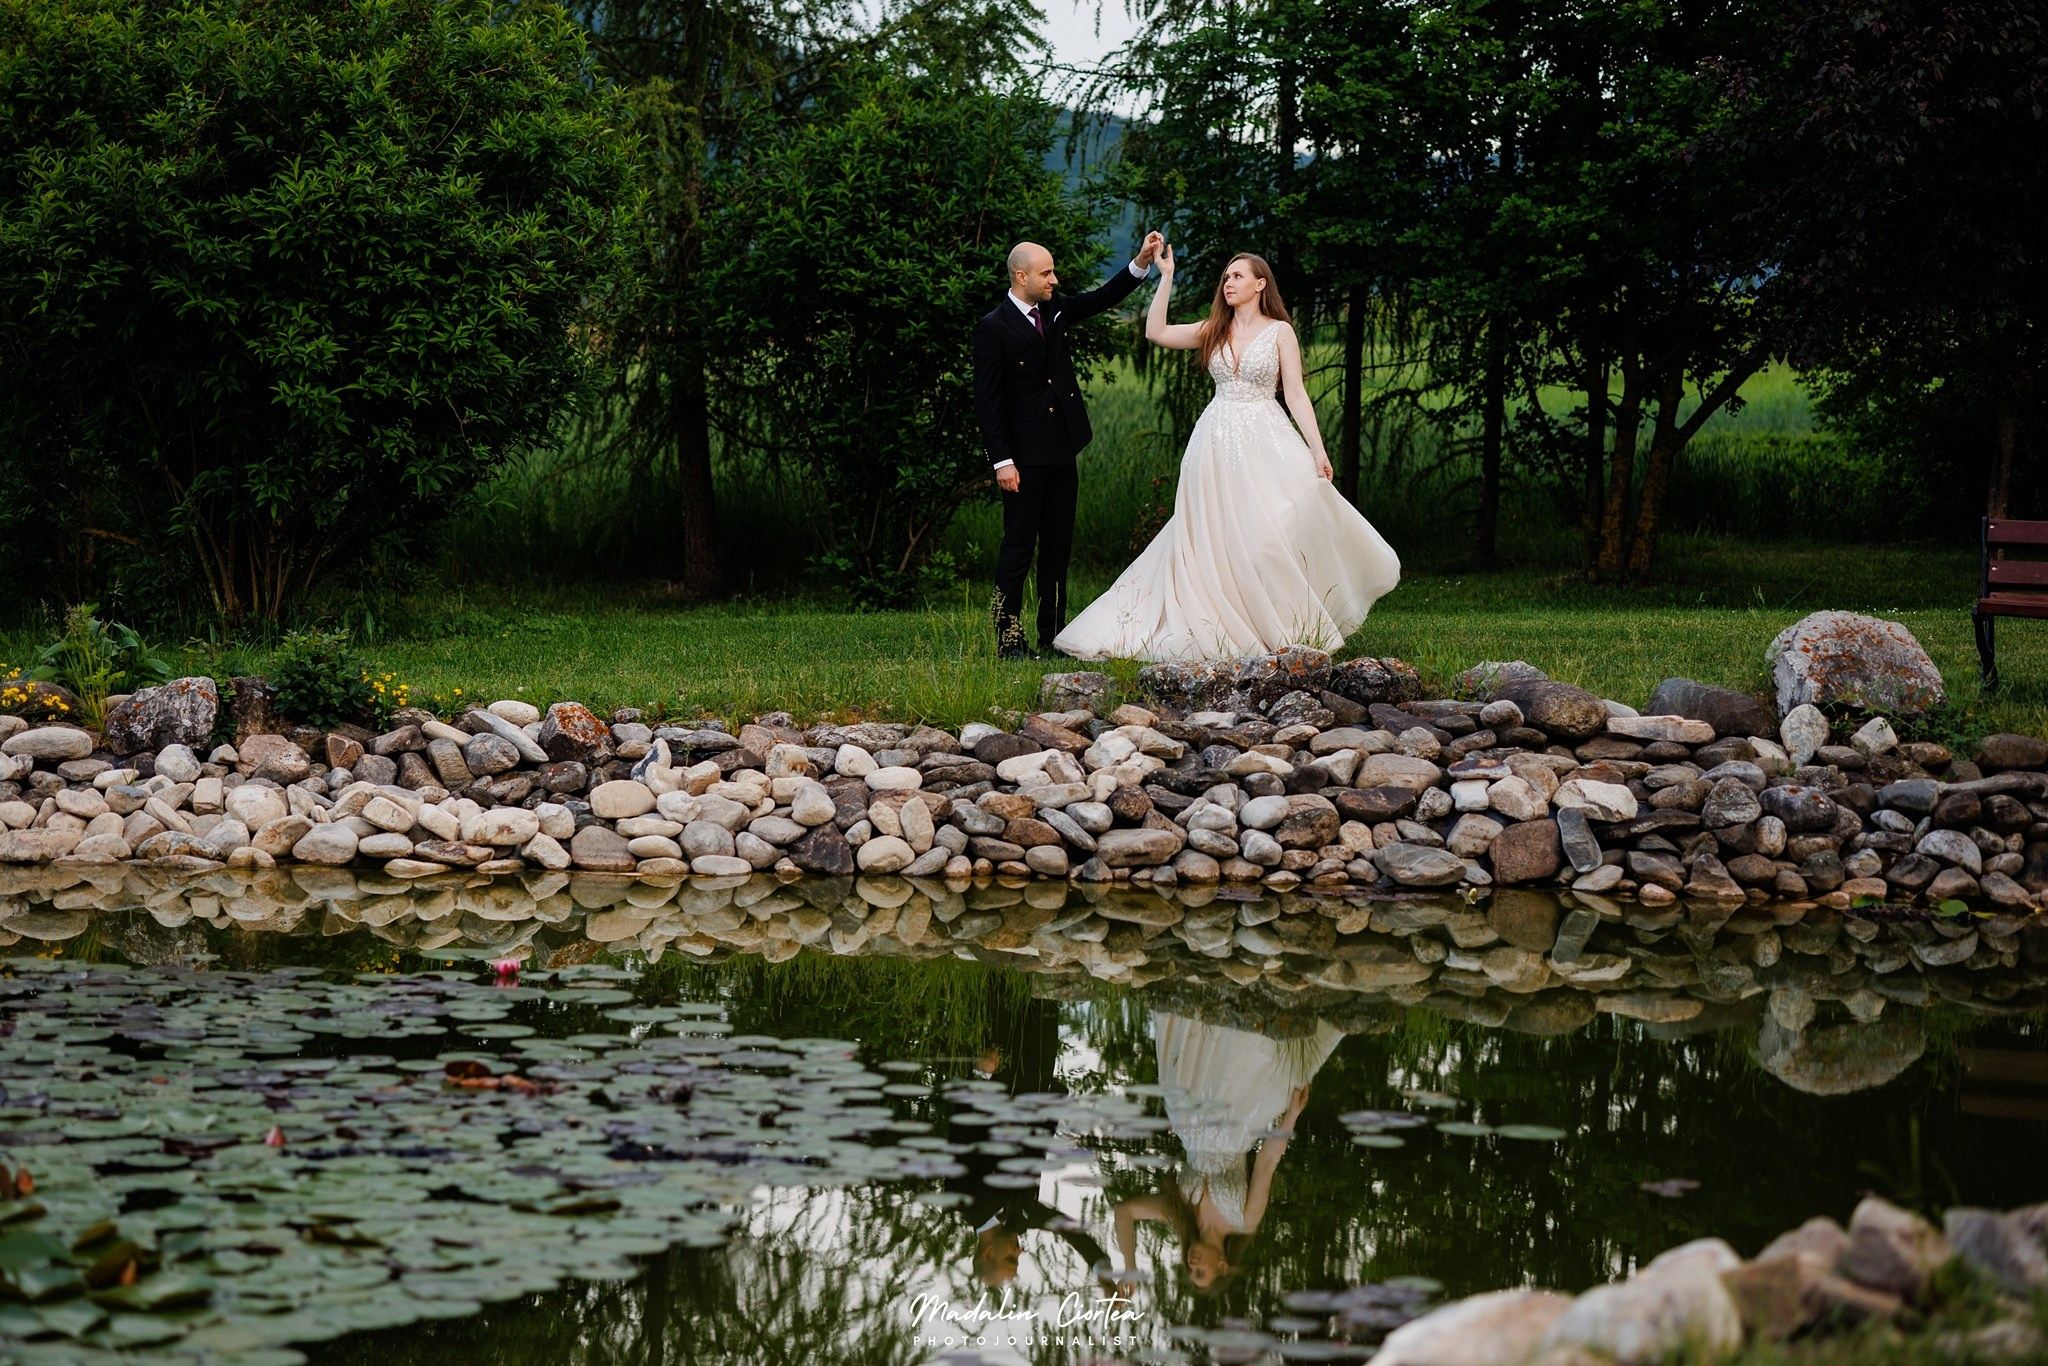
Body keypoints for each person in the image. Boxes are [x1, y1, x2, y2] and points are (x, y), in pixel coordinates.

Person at [1053, 248, 1401, 662]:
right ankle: (1217, 622)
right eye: (1226, 277)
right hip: (1214, 441)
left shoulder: (1280, 332)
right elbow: (1156, 332)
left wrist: (1317, 448)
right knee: (1213, 534)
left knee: (1270, 533)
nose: (1229, 283)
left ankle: (1278, 620)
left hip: (1266, 439)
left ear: (1260, 284)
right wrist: (1166, 276)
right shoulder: (1214, 329)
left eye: (1238, 276)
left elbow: (1295, 394)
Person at [974, 233, 1166, 659]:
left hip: (1062, 449)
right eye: (1046, 273)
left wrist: (1140, 261)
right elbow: (987, 402)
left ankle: (1054, 635)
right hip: (1022, 459)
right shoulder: (993, 327)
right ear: (1021, 276)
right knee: (1017, 549)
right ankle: (1009, 640)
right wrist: (1002, 461)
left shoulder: (1054, 309)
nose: (1054, 280)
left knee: (1058, 549)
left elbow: (1102, 298)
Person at [1108, 1012, 1345, 1294]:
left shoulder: (1180, 1214)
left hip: (1189, 1111)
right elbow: (1266, 1163)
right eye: (1200, 1272)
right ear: (1222, 1266)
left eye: (1189, 1270)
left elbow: (1125, 1211)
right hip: (1236, 1121)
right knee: (1252, 1054)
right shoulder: (1245, 1222)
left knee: (1203, 1038)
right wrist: (1291, 1116)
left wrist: (1129, 1267)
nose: (1191, 1265)